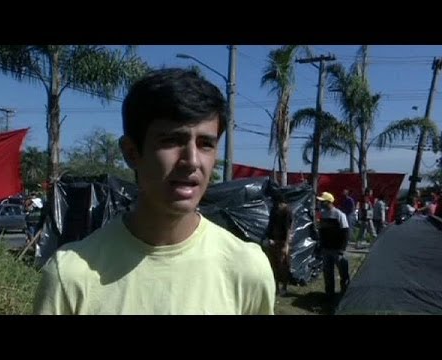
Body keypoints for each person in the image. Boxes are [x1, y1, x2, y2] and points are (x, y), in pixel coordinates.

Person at [33, 68, 276, 315]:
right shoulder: (71, 276)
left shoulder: (247, 269)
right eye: (171, 141)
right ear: (131, 152)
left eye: (206, 144)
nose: (192, 160)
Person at [316, 192, 350, 300]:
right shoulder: (323, 214)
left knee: (343, 273)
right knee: (327, 273)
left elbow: (345, 232)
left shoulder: (339, 214)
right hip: (326, 249)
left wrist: (342, 249)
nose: (320, 203)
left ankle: (344, 294)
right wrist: (321, 245)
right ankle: (329, 294)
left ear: (328, 202)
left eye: (322, 201)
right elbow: (321, 231)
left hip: (337, 249)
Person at [265, 201, 293, 297]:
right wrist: (270, 238)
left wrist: (286, 245)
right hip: (274, 241)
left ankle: (284, 287)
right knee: (274, 265)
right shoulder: (274, 210)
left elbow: (288, 229)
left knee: (283, 266)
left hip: (282, 242)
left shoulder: (287, 212)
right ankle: (276, 287)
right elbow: (270, 226)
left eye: (280, 205)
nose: (278, 206)